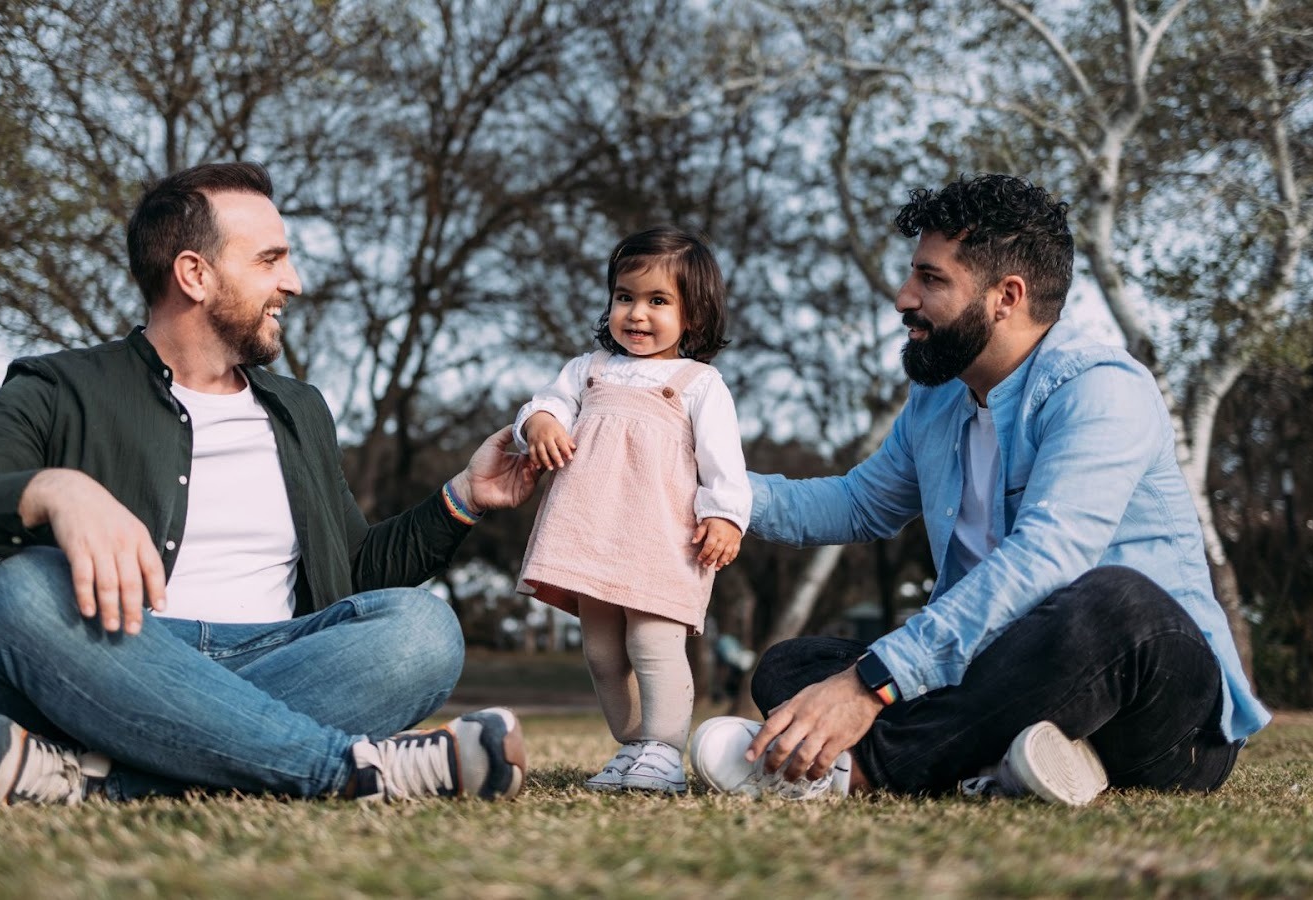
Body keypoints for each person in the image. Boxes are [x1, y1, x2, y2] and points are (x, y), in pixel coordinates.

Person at [0, 162, 539, 806]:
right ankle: (348, 771)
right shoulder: (60, 388)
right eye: (270, 260)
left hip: (281, 657)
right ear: (194, 273)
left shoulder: (299, 410)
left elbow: (355, 571)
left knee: (424, 629)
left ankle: (97, 779)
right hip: (111, 656)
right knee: (17, 592)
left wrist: (461, 499)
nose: (294, 283)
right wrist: (53, 490)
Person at [688, 174, 1270, 805]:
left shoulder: (1102, 389)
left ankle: (857, 771)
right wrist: (703, 485)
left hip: (1163, 712)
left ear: (1006, 297)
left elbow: (1048, 557)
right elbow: (858, 503)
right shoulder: (937, 401)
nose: (903, 297)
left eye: (931, 279)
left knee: (1115, 603)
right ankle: (1010, 766)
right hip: (1009, 681)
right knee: (790, 667)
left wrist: (870, 685)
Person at [514, 227, 751, 794]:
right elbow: (545, 402)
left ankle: (663, 752)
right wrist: (540, 422)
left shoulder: (698, 383)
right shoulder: (588, 369)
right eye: (625, 297)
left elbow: (725, 462)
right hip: (591, 534)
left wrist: (726, 515)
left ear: (693, 314)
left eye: (658, 301)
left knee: (652, 643)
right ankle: (634, 746)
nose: (637, 314)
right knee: (600, 652)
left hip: (662, 540)